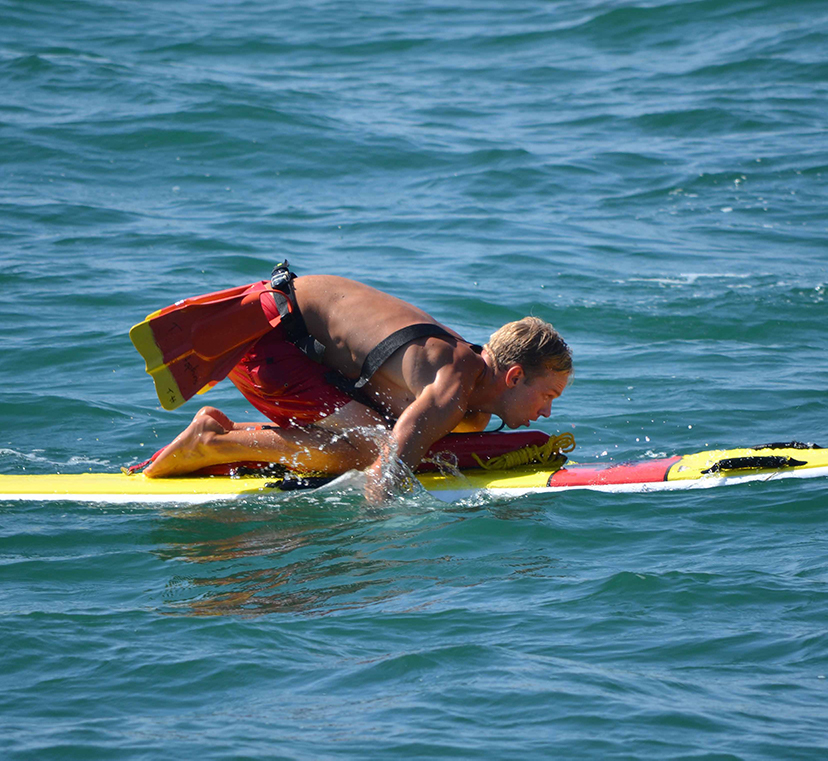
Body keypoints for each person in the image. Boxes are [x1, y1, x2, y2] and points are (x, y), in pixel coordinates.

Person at [141, 269, 572, 499]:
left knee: (375, 438)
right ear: (513, 376)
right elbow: (391, 461)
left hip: (294, 349)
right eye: (548, 395)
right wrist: (378, 544)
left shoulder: (469, 409)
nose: (548, 411)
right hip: (265, 338)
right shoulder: (456, 377)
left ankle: (229, 440)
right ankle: (212, 442)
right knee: (371, 444)